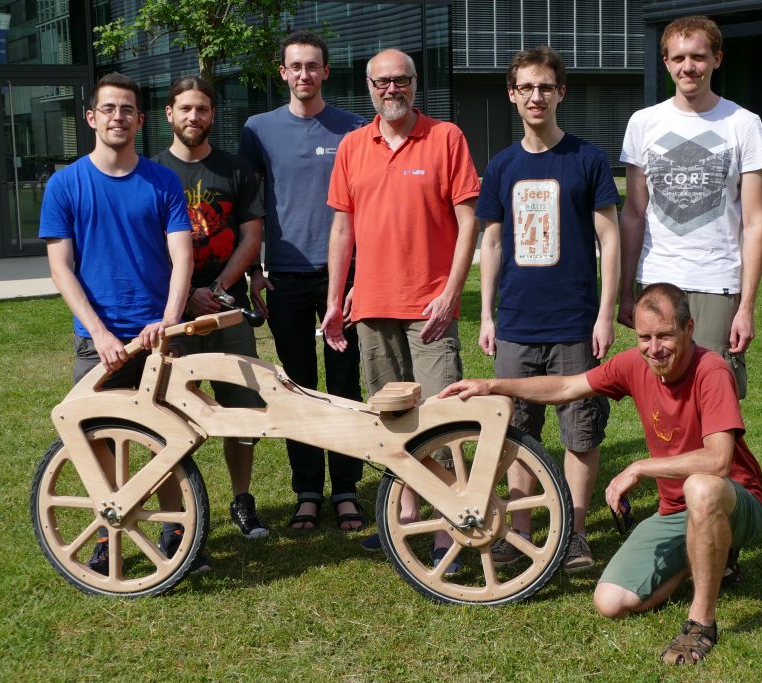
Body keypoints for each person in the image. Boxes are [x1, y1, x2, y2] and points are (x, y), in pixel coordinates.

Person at [440, 282, 762, 665]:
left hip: (733, 500)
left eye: (665, 336)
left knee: (702, 487)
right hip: (678, 510)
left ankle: (701, 623)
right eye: (645, 337)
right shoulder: (633, 363)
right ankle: (710, 557)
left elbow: (718, 461)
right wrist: (493, 384)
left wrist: (640, 466)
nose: (654, 348)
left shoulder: (712, 371)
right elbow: (565, 385)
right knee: (610, 601)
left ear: (689, 328)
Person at [321, 48, 480, 570]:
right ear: (368, 87)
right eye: (382, 82)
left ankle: (451, 525)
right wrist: (333, 301)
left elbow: (467, 222)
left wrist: (453, 291)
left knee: (441, 420)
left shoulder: (446, 138)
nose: (392, 90)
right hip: (372, 305)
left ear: (416, 84)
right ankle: (405, 519)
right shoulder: (351, 146)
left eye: (401, 81)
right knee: (390, 420)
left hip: (429, 306)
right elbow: (342, 230)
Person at [38, 72, 194, 574]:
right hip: (97, 342)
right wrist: (101, 333)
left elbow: (182, 257)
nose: (118, 117)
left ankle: (177, 532)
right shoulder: (66, 184)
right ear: (91, 118)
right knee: (98, 441)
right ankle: (111, 533)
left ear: (140, 120)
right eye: (108, 109)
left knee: (168, 438)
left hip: (156, 337)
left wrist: (168, 323)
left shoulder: (163, 181)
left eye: (127, 109)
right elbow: (61, 267)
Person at [475, 46, 621, 572]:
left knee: (580, 430)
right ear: (513, 96)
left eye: (545, 87)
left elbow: (609, 239)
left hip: (574, 324)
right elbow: (491, 244)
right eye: (526, 88)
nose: (536, 96)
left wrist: (605, 315)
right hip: (516, 324)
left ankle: (577, 533)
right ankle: (520, 530)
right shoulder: (501, 166)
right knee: (517, 432)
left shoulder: (588, 159)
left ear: (561, 93)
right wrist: (488, 315)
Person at [237, 31, 367, 532]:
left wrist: (363, 277)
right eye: (296, 66)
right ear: (283, 72)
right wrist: (253, 271)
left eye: (313, 66)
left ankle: (348, 491)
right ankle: (308, 493)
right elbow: (248, 209)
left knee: (345, 385)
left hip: (345, 277)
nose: (304, 74)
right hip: (286, 278)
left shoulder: (354, 128)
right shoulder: (259, 129)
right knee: (298, 386)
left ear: (325, 72)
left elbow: (367, 210)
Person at [617, 15, 762, 399]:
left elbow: (755, 221)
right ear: (666, 62)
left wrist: (746, 306)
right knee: (662, 395)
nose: (689, 67)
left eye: (699, 57)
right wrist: (624, 291)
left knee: (715, 392)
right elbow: (634, 213)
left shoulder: (743, 123)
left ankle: (721, 462)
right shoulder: (643, 123)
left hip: (716, 282)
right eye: (679, 58)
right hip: (657, 276)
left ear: (717, 59)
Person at [153, 75, 271, 545]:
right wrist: (185, 296)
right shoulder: (152, 172)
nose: (193, 118)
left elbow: (252, 236)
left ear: (212, 115)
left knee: (242, 412)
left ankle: (242, 500)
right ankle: (176, 513)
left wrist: (218, 287)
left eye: (201, 109)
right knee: (168, 413)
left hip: (228, 310)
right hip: (174, 315)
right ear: (169, 113)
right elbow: (148, 249)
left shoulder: (236, 170)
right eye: (185, 109)